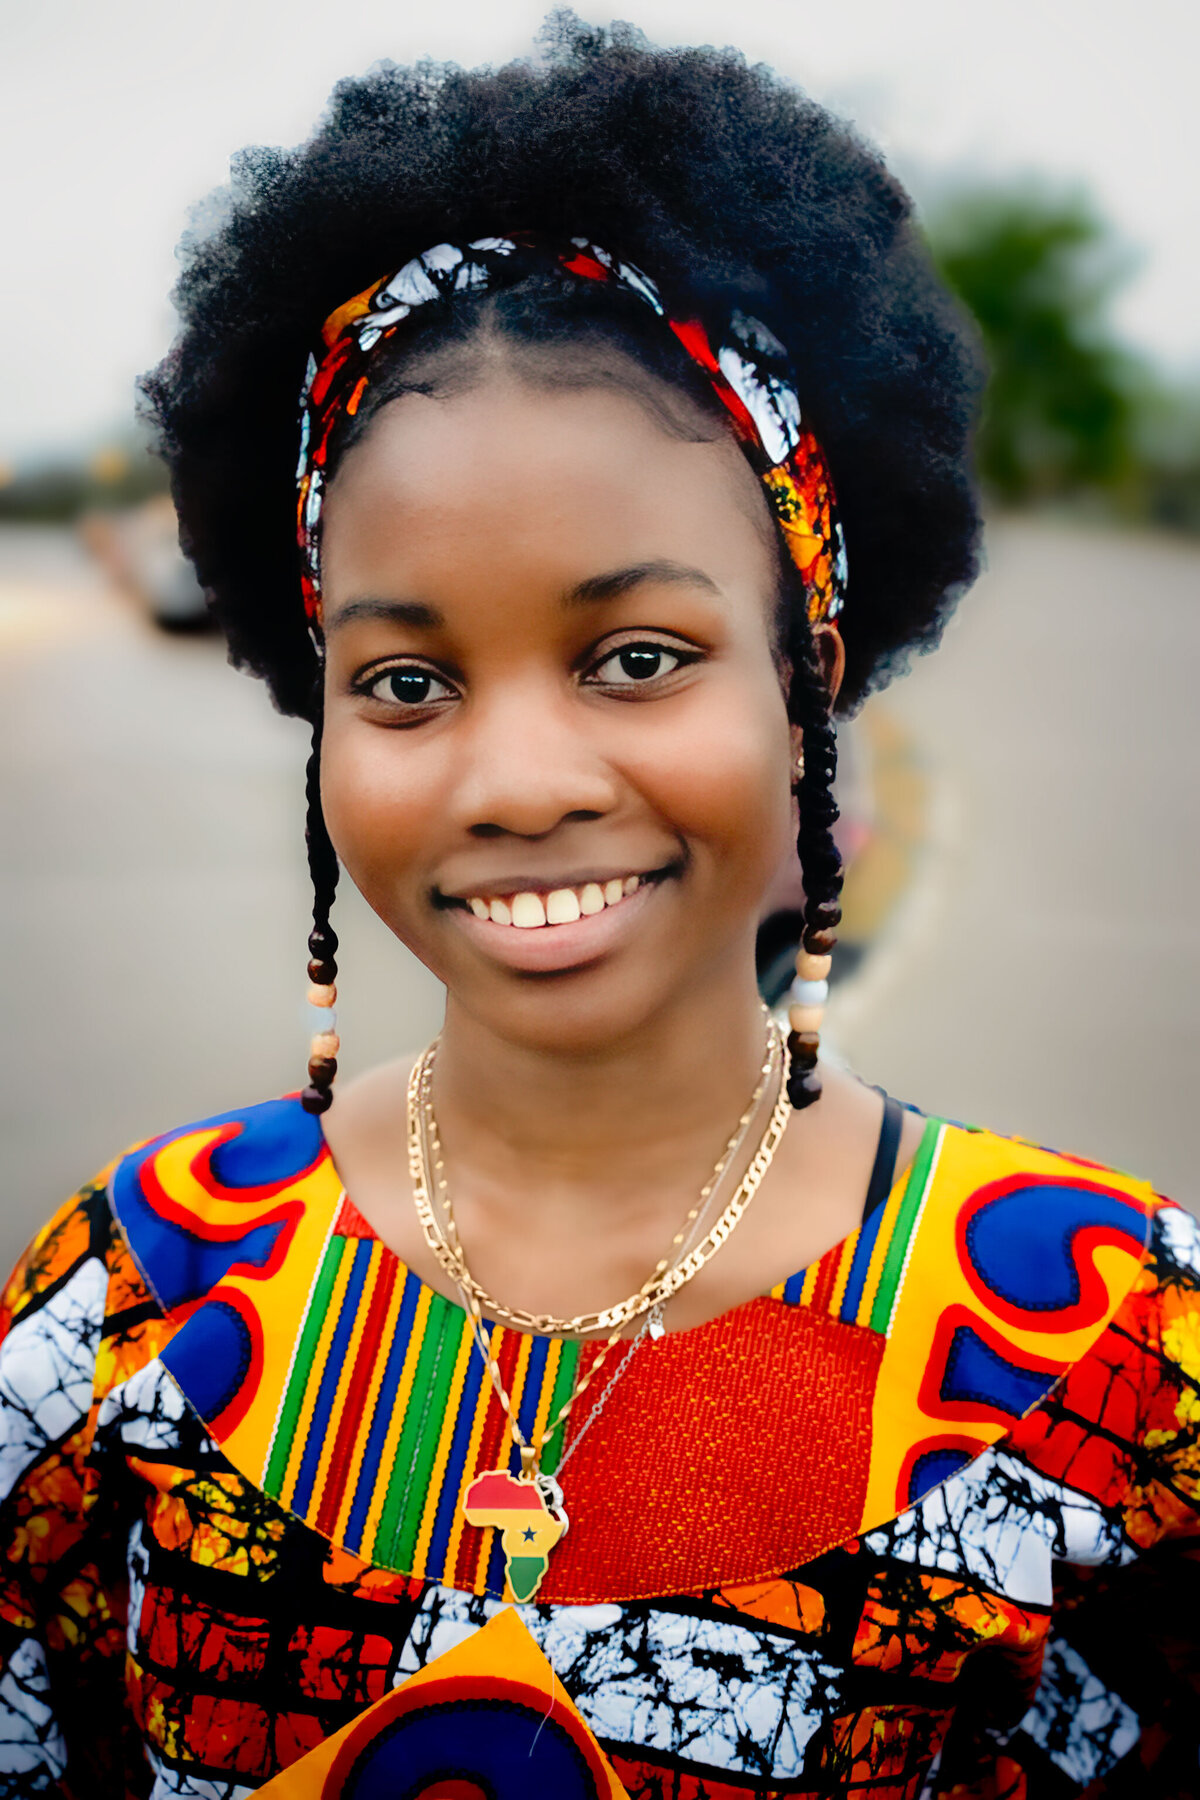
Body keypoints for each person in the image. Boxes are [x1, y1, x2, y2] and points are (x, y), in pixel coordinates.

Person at [1, 18, 1195, 1799]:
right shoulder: (135, 1303)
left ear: (811, 675)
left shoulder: (1113, 1364)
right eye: (404, 682)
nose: (516, 778)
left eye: (636, 655)